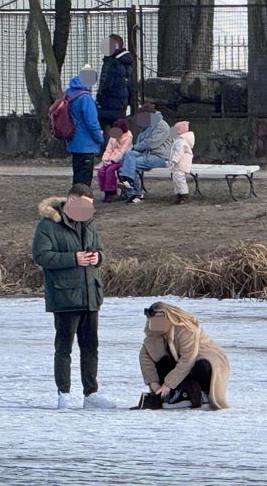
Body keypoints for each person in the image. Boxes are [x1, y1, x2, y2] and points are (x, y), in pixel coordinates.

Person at [32, 183, 116, 410]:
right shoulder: (48, 225)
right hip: (65, 296)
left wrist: (96, 258)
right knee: (64, 348)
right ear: (71, 202)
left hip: (90, 295)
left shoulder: (89, 224)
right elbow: (41, 256)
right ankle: (64, 394)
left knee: (90, 347)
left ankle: (91, 393)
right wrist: (74, 259)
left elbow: (100, 250)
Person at [138, 301, 230, 410]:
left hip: (202, 360)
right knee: (162, 361)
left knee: (202, 366)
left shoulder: (186, 329)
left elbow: (188, 359)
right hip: (179, 364)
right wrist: (155, 386)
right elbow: (145, 358)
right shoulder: (153, 334)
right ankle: (178, 393)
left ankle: (203, 394)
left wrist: (168, 384)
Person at [118, 103, 177, 204]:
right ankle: (127, 182)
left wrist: (135, 147)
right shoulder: (148, 126)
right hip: (147, 153)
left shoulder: (161, 126)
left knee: (133, 163)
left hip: (160, 156)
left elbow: (151, 143)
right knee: (127, 155)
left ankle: (136, 192)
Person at [65, 67, 104, 187]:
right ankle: (82, 201)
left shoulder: (70, 93)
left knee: (77, 175)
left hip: (73, 141)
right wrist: (100, 138)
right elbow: (92, 123)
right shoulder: (86, 98)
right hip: (86, 144)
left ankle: (75, 199)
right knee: (85, 177)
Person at [96, 34, 134, 142]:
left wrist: (99, 99)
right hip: (122, 103)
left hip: (108, 103)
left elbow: (105, 84)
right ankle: (120, 151)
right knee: (119, 129)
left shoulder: (111, 62)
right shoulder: (127, 62)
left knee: (103, 127)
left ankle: (104, 153)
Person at [96, 118, 132, 203]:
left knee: (110, 170)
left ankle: (112, 191)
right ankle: (105, 191)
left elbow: (123, 152)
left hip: (121, 160)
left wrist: (113, 160)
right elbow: (108, 149)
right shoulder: (113, 137)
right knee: (101, 171)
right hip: (110, 159)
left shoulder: (128, 138)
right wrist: (105, 159)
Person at [167, 121, 194, 205]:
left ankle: (183, 195)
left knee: (179, 178)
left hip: (180, 163)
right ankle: (179, 194)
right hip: (179, 163)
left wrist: (174, 161)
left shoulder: (181, 141)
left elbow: (178, 152)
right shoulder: (180, 140)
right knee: (176, 178)